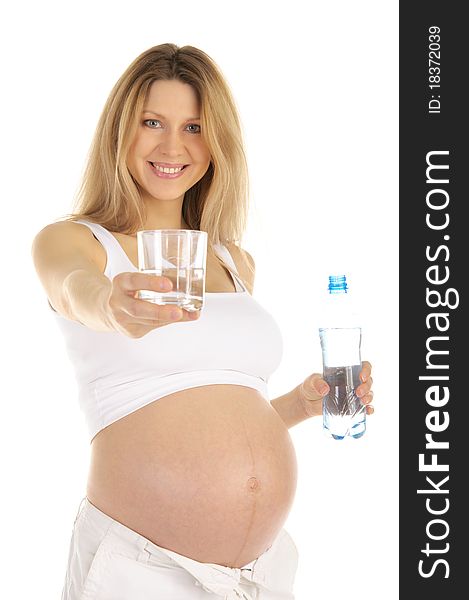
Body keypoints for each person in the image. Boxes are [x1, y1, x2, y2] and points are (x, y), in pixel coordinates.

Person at [32, 43, 374, 600]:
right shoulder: (78, 242)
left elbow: (211, 399)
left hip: (258, 574)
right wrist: (110, 303)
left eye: (194, 126)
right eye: (152, 122)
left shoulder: (233, 262)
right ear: (120, 130)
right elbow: (73, 288)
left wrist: (298, 406)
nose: (173, 146)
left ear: (216, 143)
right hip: (139, 568)